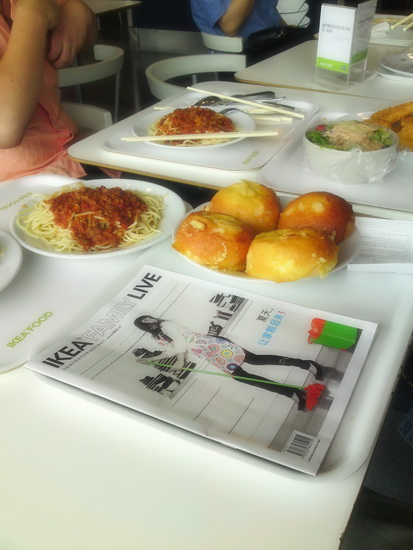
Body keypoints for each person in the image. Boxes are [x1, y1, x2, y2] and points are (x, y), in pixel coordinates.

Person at [133, 315, 325, 411]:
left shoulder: (166, 324)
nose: (150, 321)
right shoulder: (158, 337)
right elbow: (172, 350)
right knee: (243, 378)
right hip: (210, 354)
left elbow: (180, 342)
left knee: (256, 360)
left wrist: (180, 361)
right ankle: (291, 393)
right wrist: (150, 360)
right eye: (145, 322)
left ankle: (306, 364)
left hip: (214, 345)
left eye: (149, 318)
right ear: (144, 327)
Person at [0, 0, 98, 182]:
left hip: (73, 159)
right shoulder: (31, 8)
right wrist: (33, 14)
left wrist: (77, 10)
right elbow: (5, 127)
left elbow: (87, 42)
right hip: (19, 187)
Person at [190, 0, 283, 41]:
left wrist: (288, 31)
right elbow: (230, 26)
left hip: (275, 41)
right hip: (242, 56)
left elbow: (269, 13)